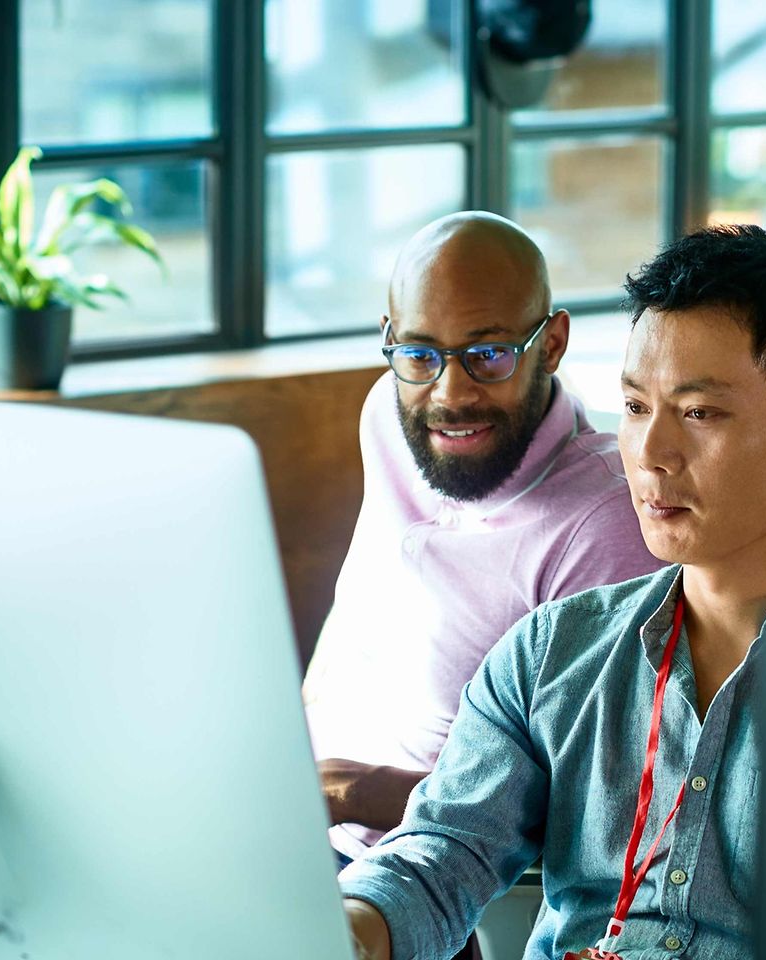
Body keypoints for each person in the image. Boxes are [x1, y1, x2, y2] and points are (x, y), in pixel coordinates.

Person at [338, 224, 766, 960]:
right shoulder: (550, 654)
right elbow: (441, 856)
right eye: (637, 407)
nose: (650, 453)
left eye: (699, 412)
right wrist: (351, 930)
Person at [302, 212, 662, 866]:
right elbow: (356, 615)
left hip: (426, 882)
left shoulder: (608, 522)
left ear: (551, 345)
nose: (449, 393)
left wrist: (350, 793)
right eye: (419, 354)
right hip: (299, 830)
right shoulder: (389, 412)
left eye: (487, 354)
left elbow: (596, 807)